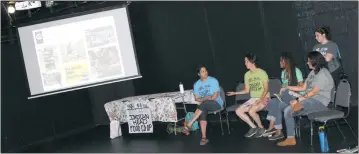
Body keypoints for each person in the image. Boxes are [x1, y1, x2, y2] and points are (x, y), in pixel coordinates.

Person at [268, 51, 333, 146]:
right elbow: (303, 88)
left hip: (319, 103)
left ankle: (291, 139)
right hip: (308, 100)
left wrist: (298, 100)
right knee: (280, 101)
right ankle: (295, 108)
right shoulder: (313, 72)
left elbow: (313, 92)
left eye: (309, 61)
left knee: (288, 110)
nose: (307, 63)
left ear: (315, 61)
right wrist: (287, 87)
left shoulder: (323, 74)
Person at [227, 53, 269, 138]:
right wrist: (235, 93)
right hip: (253, 98)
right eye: (245, 61)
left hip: (264, 97)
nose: (245, 63)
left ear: (252, 62)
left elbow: (266, 89)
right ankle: (253, 128)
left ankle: (261, 128)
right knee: (238, 111)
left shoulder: (262, 73)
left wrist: (260, 99)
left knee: (251, 111)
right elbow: (246, 90)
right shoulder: (247, 75)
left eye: (246, 61)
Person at [263, 52, 305, 138]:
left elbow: (301, 87)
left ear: (286, 61)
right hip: (286, 97)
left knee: (280, 99)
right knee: (273, 102)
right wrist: (279, 94)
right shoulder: (283, 73)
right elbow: (283, 87)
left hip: (296, 96)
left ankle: (275, 129)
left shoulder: (296, 71)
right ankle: (278, 130)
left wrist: (288, 88)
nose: (279, 63)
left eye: (281, 61)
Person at [183, 65, 223, 145]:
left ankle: (189, 124)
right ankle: (204, 138)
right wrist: (206, 98)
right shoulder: (196, 84)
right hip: (204, 105)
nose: (205, 72)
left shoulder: (213, 80)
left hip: (217, 103)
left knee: (203, 105)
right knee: (202, 110)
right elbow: (196, 99)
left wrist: (203, 99)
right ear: (199, 74)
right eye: (202, 71)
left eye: (206, 70)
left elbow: (214, 97)